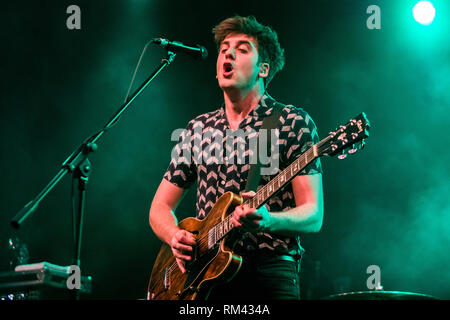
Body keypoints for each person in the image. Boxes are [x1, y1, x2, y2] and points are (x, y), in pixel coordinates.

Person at [149, 15, 324, 300]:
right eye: (224, 48)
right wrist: (173, 235)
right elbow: (159, 207)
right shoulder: (199, 128)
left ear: (263, 69)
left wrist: (269, 221)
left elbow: (313, 215)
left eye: (242, 48)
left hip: (269, 272)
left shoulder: (291, 120)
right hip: (204, 275)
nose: (228, 53)